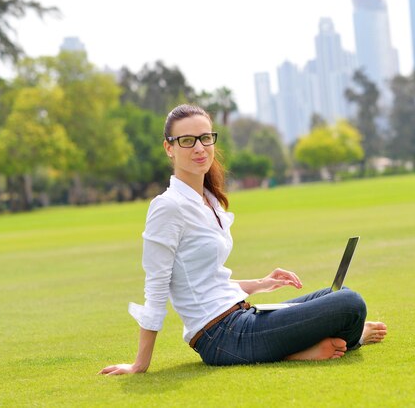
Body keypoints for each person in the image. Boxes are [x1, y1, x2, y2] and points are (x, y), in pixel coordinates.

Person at [99, 104, 387, 374]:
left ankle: (305, 346)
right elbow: (157, 285)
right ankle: (331, 342)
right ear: (169, 148)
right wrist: (140, 364)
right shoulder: (168, 206)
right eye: (187, 140)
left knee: (335, 294)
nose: (199, 147)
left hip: (243, 316)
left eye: (205, 138)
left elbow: (205, 281)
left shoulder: (208, 201)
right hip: (222, 335)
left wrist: (261, 283)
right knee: (351, 304)